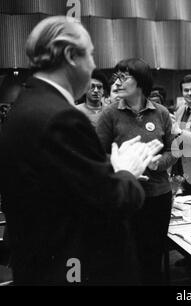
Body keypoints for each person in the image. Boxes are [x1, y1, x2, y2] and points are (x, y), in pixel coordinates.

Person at [0, 16, 163, 285]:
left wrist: (110, 167)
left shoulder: (27, 104)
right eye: (90, 55)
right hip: (71, 268)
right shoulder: (61, 117)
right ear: (70, 56)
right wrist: (126, 171)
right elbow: (111, 201)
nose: (94, 65)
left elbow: (68, 184)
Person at [96, 58, 177, 285]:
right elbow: (96, 155)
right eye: (116, 77)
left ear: (140, 81)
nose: (117, 81)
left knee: (153, 258)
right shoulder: (109, 114)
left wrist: (157, 163)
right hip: (126, 197)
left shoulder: (161, 113)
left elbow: (174, 150)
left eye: (124, 77)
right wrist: (124, 164)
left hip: (158, 197)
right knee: (126, 259)